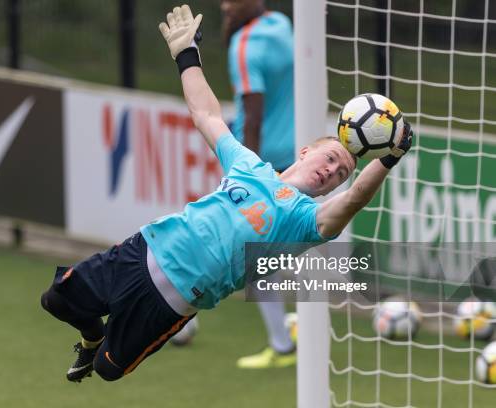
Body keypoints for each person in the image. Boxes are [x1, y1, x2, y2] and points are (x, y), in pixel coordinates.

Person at [40, 4, 413, 383]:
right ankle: (92, 335)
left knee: (107, 369)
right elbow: (208, 116)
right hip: (143, 252)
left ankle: (101, 347)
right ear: (306, 151)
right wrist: (187, 56)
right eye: (332, 158)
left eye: (341, 174)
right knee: (55, 299)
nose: (333, 171)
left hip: (172, 303)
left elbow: (354, 200)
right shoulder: (250, 166)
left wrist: (390, 158)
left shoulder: (305, 221)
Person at [221, 0, 298, 369]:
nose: (224, 6)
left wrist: (249, 177)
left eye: (231, 0)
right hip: (297, 155)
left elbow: (253, 116)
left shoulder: (245, 46)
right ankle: (290, 334)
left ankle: (283, 345)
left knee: (255, 259)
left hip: (263, 163)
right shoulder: (282, 24)